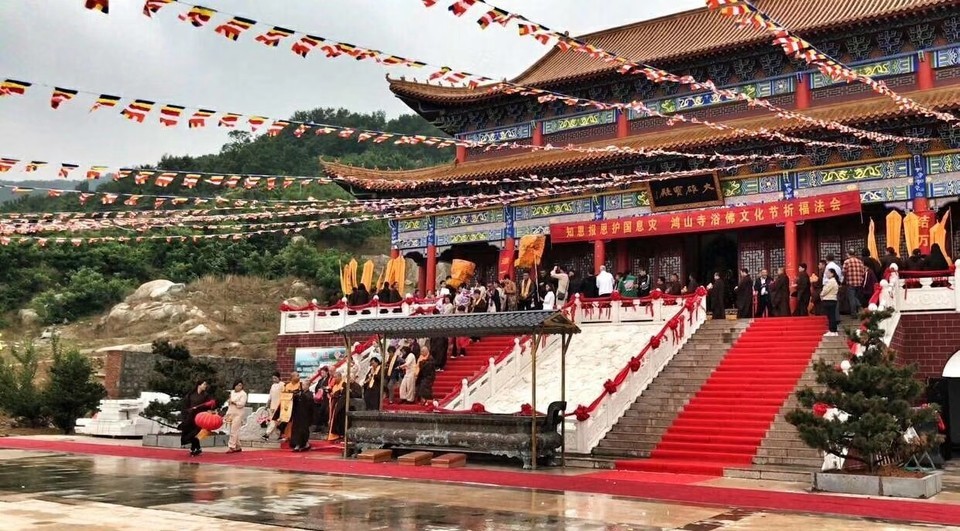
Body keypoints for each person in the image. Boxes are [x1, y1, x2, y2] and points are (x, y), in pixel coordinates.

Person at [180, 380, 214, 457]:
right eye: (204, 384)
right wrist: (187, 412)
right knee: (187, 434)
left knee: (195, 433)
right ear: (199, 385)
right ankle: (197, 448)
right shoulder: (191, 394)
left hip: (200, 418)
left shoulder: (206, 395)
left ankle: (194, 448)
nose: (205, 386)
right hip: (190, 417)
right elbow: (185, 405)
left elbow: (210, 405)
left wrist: (209, 410)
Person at [289, 380, 314, 452]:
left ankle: (299, 445)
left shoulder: (309, 394)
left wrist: (301, 395)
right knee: (296, 430)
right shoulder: (300, 393)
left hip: (305, 416)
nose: (302, 386)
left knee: (302, 431)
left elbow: (309, 403)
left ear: (308, 386)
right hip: (298, 415)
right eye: (302, 385)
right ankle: (302, 444)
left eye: (304, 385)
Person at [224, 380, 247, 454]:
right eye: (237, 385)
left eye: (240, 385)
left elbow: (241, 404)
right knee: (233, 431)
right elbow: (228, 401)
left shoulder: (243, 394)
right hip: (231, 412)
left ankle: (231, 447)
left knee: (234, 430)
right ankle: (238, 446)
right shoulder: (232, 392)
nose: (239, 387)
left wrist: (234, 402)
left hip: (238, 414)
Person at [842, 249, 866, 317]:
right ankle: (859, 307)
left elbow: (843, 272)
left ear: (848, 254)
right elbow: (863, 272)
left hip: (850, 282)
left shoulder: (847, 262)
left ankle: (854, 313)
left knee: (851, 298)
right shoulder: (860, 261)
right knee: (855, 296)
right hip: (859, 282)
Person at [263, 372, 282, 440]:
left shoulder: (282, 385)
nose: (274, 380)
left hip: (279, 406)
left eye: (275, 378)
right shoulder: (273, 386)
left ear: (279, 378)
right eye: (273, 378)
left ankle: (267, 434)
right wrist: (267, 404)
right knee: (274, 421)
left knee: (274, 421)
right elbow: (270, 397)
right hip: (272, 406)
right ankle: (279, 434)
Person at [821, 269, 840, 336]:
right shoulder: (833, 281)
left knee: (831, 316)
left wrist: (821, 294)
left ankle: (832, 330)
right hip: (832, 299)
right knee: (831, 315)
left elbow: (826, 290)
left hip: (829, 299)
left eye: (828, 273)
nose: (826, 274)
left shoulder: (831, 281)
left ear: (832, 274)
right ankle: (832, 330)